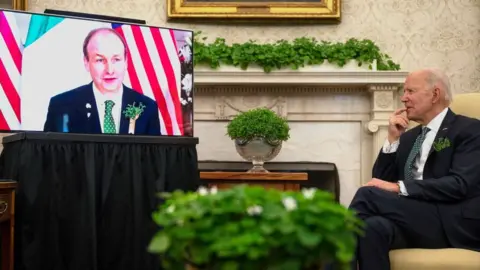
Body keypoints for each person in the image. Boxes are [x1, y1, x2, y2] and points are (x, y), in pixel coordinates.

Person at [348, 68, 480, 270]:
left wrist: (399, 187)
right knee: (371, 227)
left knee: (365, 196)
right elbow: (379, 182)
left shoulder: (469, 130)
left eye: (410, 91)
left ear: (435, 94)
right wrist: (392, 139)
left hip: (452, 221)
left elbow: (460, 185)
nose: (403, 98)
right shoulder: (409, 137)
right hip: (413, 220)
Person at [43, 28, 161, 135]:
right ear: (86, 62)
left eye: (116, 59)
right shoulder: (61, 106)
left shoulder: (147, 107)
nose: (109, 70)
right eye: (100, 60)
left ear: (126, 62)